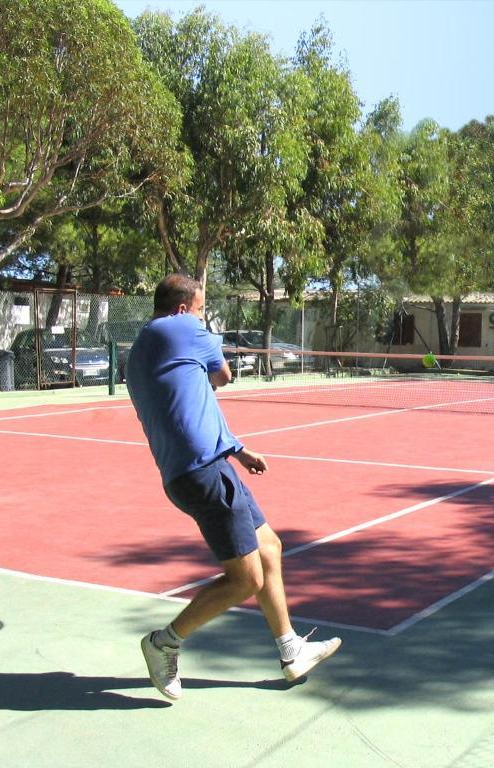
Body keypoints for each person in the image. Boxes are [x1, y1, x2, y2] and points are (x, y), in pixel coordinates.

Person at [126, 273, 341, 701]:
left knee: (270, 548)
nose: (204, 316)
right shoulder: (187, 327)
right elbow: (222, 376)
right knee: (246, 580)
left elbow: (191, 406)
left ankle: (290, 650)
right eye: (202, 308)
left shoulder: (138, 351)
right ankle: (163, 642)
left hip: (200, 469)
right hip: (203, 473)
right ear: (184, 308)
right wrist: (208, 342)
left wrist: (238, 451)